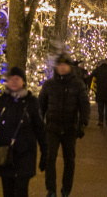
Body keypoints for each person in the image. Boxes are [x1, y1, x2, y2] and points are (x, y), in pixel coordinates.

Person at [0, 67, 47, 197]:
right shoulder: (3, 101)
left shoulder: (31, 102)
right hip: (5, 154)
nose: (14, 81)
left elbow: (40, 129)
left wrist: (45, 152)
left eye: (17, 78)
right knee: (8, 191)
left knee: (21, 190)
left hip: (25, 154)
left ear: (23, 82)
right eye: (11, 79)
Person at [39, 54, 90, 197]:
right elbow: (40, 107)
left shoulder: (77, 85)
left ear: (69, 67)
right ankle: (51, 190)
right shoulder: (49, 85)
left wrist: (82, 124)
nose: (62, 67)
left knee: (69, 160)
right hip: (52, 128)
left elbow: (84, 106)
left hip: (69, 129)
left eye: (65, 65)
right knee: (50, 158)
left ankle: (66, 190)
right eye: (59, 65)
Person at [90, 59, 107, 127]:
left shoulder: (98, 70)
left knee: (100, 107)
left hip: (100, 91)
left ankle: (100, 120)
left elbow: (91, 75)